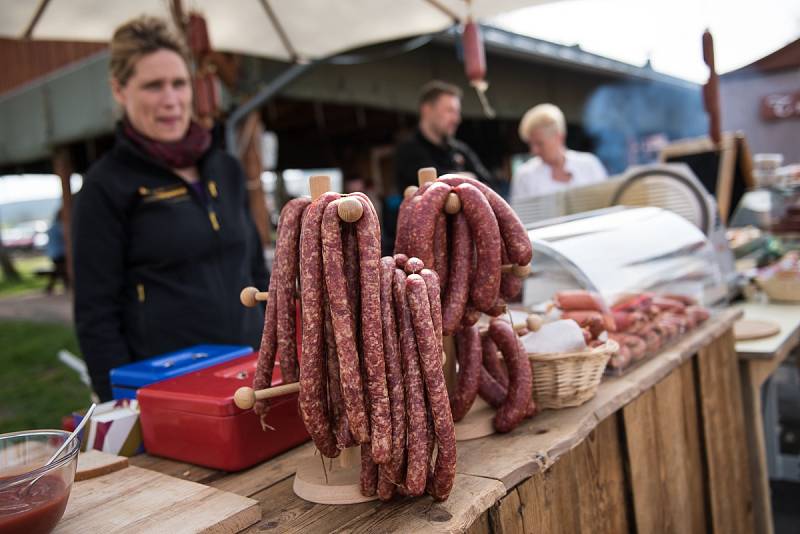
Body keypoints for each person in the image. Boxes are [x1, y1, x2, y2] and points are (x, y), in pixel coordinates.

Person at [72, 17, 268, 401]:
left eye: (179, 83)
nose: (171, 100)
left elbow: (256, 273)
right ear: (119, 90)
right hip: (171, 393)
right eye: (153, 85)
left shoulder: (225, 168)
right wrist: (123, 405)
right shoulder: (105, 185)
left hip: (252, 375)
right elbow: (96, 316)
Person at [388, 81, 493, 252]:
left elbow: (489, 184)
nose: (456, 119)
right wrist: (468, 178)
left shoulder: (460, 150)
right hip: (424, 248)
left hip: (465, 248)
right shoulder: (409, 149)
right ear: (427, 109)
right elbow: (432, 186)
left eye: (457, 112)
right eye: (450, 111)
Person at [510, 103, 607, 201]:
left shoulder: (590, 165)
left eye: (539, 144)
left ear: (559, 137)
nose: (534, 150)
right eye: (531, 144)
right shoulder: (525, 176)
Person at [44, 208, 69, 294]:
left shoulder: (52, 226)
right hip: (60, 252)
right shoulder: (60, 226)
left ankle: (51, 287)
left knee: (59, 269)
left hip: (53, 252)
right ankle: (66, 285)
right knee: (60, 269)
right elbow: (65, 237)